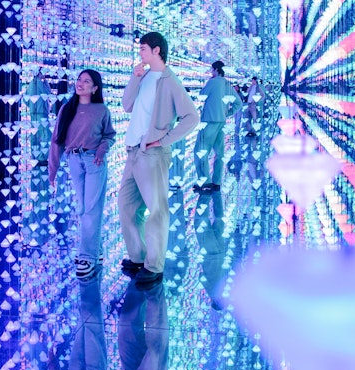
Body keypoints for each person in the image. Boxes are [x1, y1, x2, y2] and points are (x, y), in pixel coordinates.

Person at [119, 32, 200, 286]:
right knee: (127, 207)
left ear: (156, 51)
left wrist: (162, 140)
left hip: (152, 154)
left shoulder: (170, 81)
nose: (140, 53)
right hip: (133, 151)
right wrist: (135, 78)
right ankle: (139, 257)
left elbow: (192, 117)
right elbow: (127, 106)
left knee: (156, 210)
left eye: (143, 49)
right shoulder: (144, 77)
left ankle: (154, 266)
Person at [49, 69, 117, 279]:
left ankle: (86, 256)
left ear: (95, 88)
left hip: (93, 160)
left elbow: (109, 135)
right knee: (83, 207)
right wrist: (52, 170)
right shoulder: (67, 109)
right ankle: (95, 251)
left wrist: (102, 148)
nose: (80, 83)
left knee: (91, 209)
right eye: (79, 80)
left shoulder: (101, 110)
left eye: (86, 81)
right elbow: (57, 140)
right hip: (73, 160)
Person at [193, 60, 242, 193]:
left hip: (209, 120)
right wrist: (227, 113)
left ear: (215, 70)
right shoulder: (227, 84)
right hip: (221, 122)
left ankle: (205, 182)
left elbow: (202, 95)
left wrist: (208, 82)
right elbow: (238, 103)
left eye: (211, 70)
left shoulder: (213, 82)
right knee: (219, 153)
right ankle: (217, 182)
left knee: (200, 151)